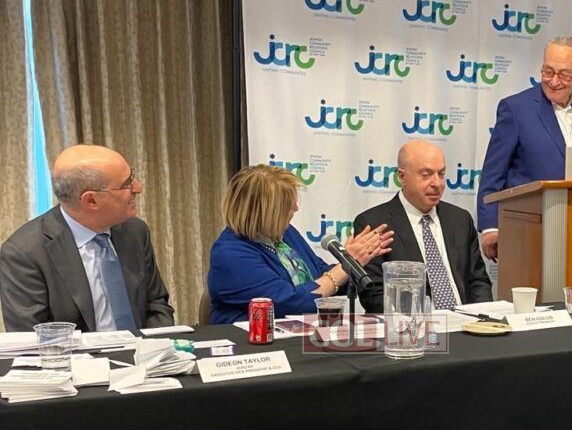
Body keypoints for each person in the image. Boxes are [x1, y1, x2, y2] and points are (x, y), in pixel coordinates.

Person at [0, 145, 174, 332]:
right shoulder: (25, 253)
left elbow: (156, 304)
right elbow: (32, 337)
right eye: (127, 184)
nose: (138, 188)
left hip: (144, 349)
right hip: (76, 351)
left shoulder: (135, 231)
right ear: (91, 200)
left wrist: (154, 345)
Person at [208, 164, 394, 323]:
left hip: (300, 337)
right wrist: (347, 265)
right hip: (254, 346)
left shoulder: (285, 233)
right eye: (287, 205)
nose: (295, 208)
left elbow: (320, 273)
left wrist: (358, 261)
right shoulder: (230, 255)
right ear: (262, 213)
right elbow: (290, 302)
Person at [477, 36, 572, 260]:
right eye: (548, 71)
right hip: (528, 229)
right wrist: (490, 227)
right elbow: (493, 173)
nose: (554, 81)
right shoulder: (516, 108)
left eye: (564, 75)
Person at [354, 140, 493, 313]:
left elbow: (478, 281)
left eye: (441, 174)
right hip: (411, 324)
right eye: (426, 175)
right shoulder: (375, 223)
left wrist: (481, 318)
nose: (437, 183)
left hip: (465, 322)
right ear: (402, 177)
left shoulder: (460, 219)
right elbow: (373, 295)